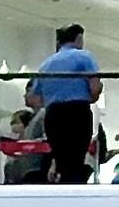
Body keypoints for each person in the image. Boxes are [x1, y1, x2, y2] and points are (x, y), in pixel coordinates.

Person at [30, 22, 102, 184]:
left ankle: (65, 188)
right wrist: (90, 97)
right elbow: (95, 87)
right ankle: (75, 193)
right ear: (78, 38)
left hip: (53, 114)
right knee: (77, 157)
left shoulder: (46, 64)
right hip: (77, 111)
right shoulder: (84, 56)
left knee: (61, 157)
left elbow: (35, 99)